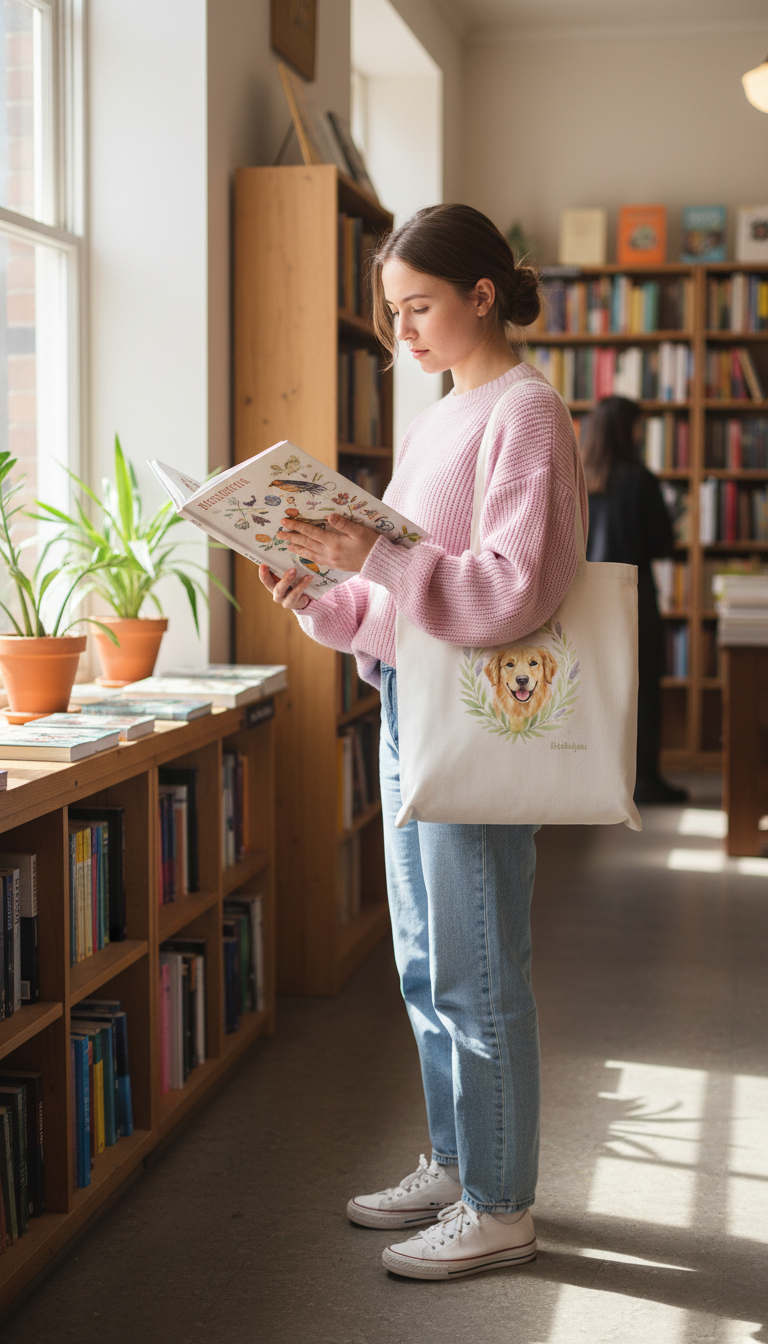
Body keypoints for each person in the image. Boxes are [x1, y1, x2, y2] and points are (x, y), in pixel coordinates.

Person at [258, 204, 587, 1281]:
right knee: (425, 963)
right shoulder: (441, 417)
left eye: (418, 307)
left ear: (482, 297)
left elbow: (510, 592)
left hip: (476, 717)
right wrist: (320, 592)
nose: (400, 331)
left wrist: (376, 557)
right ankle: (455, 1162)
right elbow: (401, 602)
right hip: (410, 702)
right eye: (390, 312)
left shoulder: (526, 412)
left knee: (479, 968)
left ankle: (501, 1206)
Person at [579, 396, 687, 805]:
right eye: (639, 425)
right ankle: (645, 781)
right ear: (628, 430)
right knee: (644, 688)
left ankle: (598, 777)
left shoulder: (580, 479)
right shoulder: (641, 479)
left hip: (588, 600)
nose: (642, 433)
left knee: (594, 687)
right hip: (634, 598)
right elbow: (663, 545)